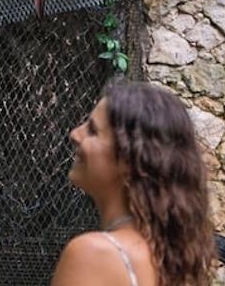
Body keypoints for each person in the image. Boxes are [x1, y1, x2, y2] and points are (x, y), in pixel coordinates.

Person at [53, 79, 214, 286]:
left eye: (93, 131)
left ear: (130, 159)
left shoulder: (93, 253)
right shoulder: (167, 258)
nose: (75, 134)